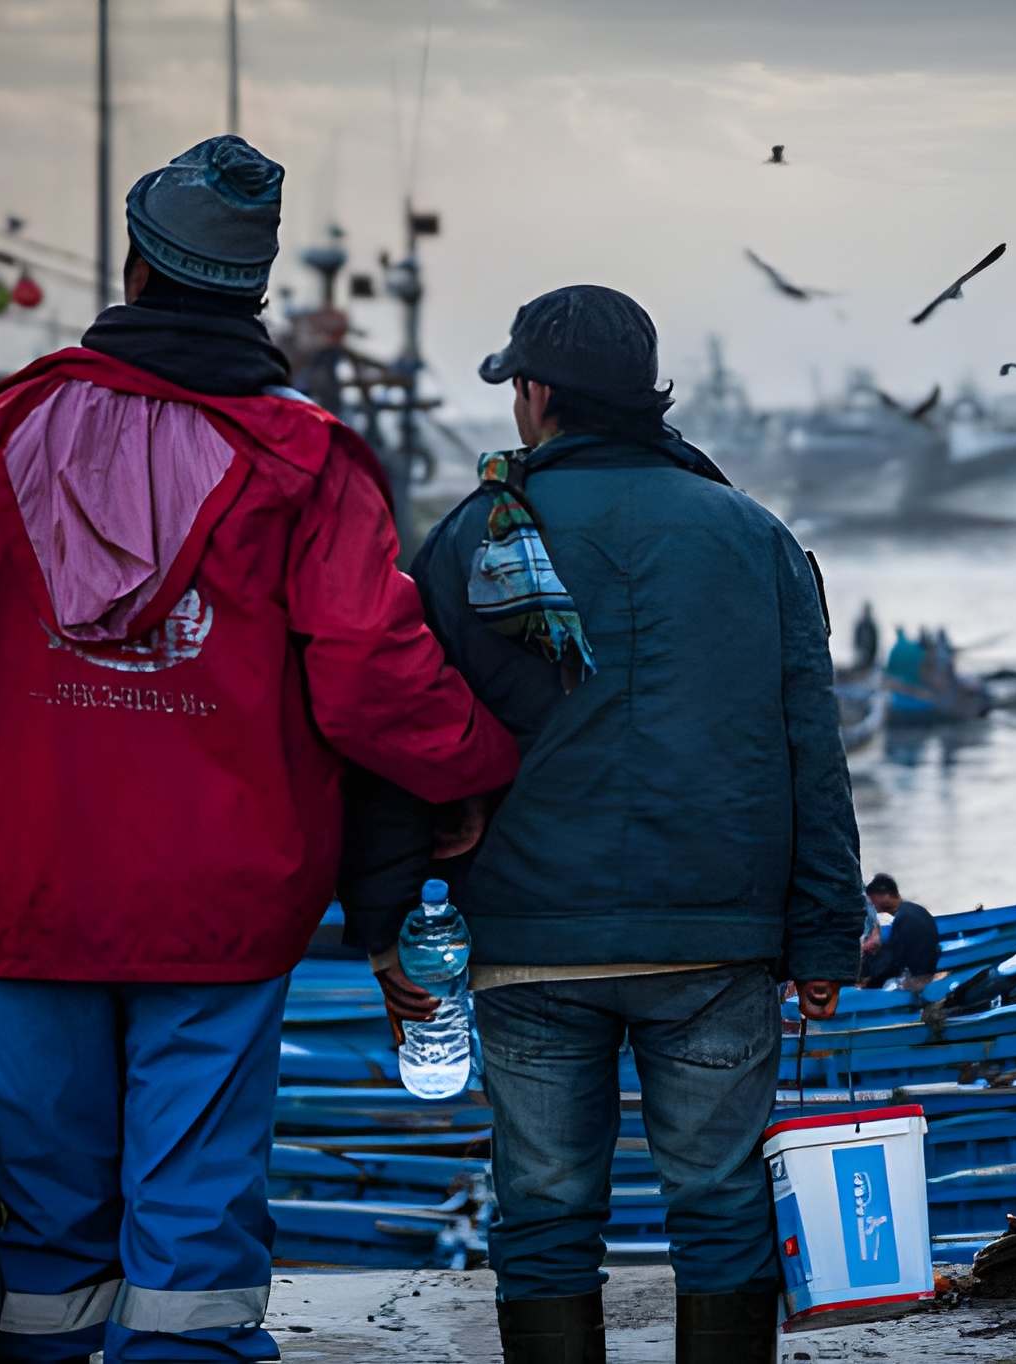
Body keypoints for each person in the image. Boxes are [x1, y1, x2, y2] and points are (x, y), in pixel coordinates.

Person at [0, 135, 520, 1364]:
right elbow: (373, 676)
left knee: (45, 1242)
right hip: (221, 906)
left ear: (133, 269)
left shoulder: (1, 435)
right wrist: (473, 766)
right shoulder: (308, 460)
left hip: (18, 897)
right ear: (253, 293)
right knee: (194, 1237)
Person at [341, 284, 862, 1362]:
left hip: (530, 943)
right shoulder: (753, 535)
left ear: (536, 394)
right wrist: (821, 932)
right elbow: (812, 743)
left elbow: (401, 734)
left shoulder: (470, 536)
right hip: (714, 939)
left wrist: (384, 918)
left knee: (541, 1213)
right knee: (719, 1207)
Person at [859, 873, 940, 988]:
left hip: (918, 979)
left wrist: (870, 983)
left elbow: (895, 962)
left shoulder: (904, 919)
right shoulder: (914, 909)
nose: (873, 905)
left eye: (873, 900)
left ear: (885, 896)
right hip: (928, 969)